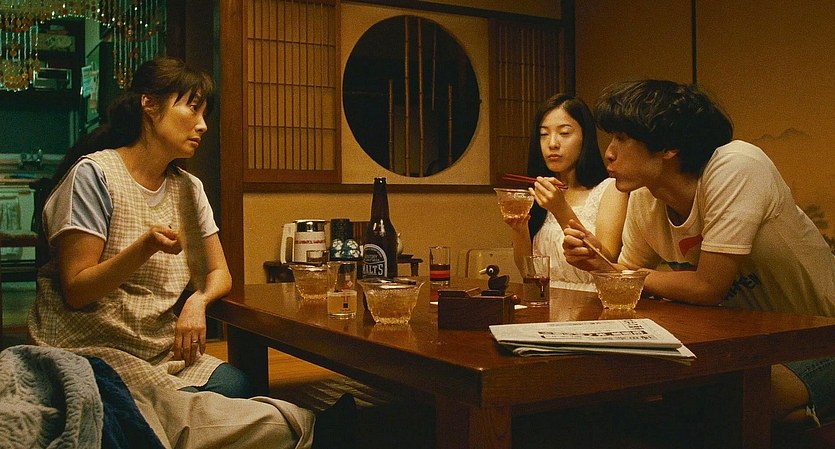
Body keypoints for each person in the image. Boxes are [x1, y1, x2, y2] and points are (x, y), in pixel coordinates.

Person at [28, 56, 354, 448]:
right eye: (192, 108)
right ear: (150, 105)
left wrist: (197, 302)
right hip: (91, 348)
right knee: (148, 408)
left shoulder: (188, 188)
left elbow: (220, 272)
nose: (202, 125)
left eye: (205, 113)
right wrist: (146, 246)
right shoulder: (95, 175)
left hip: (158, 348)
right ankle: (308, 429)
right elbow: (77, 289)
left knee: (236, 385)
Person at [562, 79, 835, 427]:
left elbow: (708, 286)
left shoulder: (735, 166)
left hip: (820, 336)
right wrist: (599, 264)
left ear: (669, 146)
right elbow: (626, 283)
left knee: (734, 399)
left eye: (622, 138)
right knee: (663, 396)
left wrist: (624, 274)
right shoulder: (647, 197)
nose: (609, 153)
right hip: (755, 346)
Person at [503, 93, 628, 291]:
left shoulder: (610, 189)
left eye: (564, 133)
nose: (552, 143)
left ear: (585, 137)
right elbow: (528, 271)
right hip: (546, 300)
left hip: (592, 300)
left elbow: (605, 262)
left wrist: (560, 209)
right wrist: (519, 229)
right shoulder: (540, 193)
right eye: (544, 134)